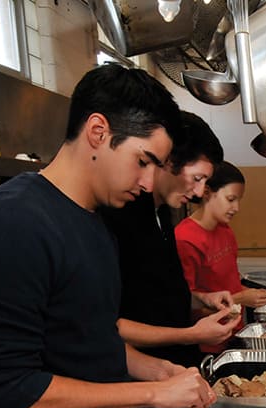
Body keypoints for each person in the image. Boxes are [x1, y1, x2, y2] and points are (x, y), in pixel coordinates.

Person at [0, 63, 216, 408]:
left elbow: (88, 337)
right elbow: (9, 389)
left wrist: (155, 369)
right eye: (142, 160)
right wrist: (153, 393)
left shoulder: (96, 223)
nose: (148, 181)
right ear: (98, 131)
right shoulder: (15, 220)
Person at [103, 112, 241, 369]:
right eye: (197, 179)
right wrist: (192, 335)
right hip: (140, 375)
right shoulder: (120, 216)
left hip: (176, 366)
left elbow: (159, 294)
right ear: (168, 160)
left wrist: (202, 299)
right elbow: (111, 324)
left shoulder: (163, 213)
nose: (200, 192)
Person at [174, 161, 266, 351]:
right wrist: (240, 298)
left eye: (239, 200)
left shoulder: (224, 230)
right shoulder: (185, 239)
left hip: (233, 335)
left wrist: (255, 295)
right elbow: (186, 307)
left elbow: (227, 282)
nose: (236, 207)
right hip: (207, 344)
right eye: (231, 199)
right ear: (206, 193)